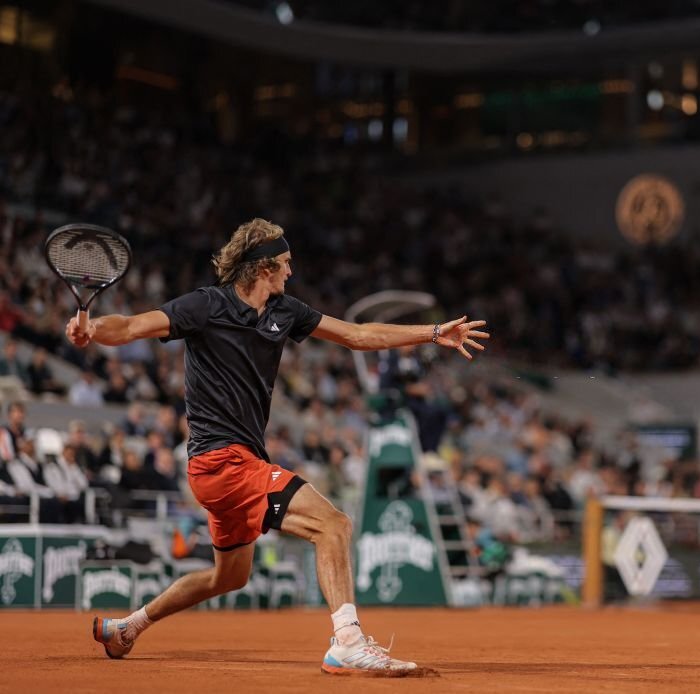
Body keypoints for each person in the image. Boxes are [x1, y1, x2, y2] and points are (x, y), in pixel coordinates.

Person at [67, 218, 488, 675]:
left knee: (229, 576)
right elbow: (130, 326)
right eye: (285, 263)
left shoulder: (285, 311)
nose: (291, 271)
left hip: (236, 463)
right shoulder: (205, 305)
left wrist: (430, 332)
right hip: (220, 461)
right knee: (334, 524)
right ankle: (347, 640)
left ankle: (129, 626)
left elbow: (358, 335)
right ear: (262, 267)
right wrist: (92, 331)